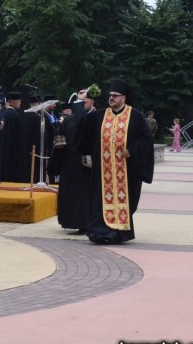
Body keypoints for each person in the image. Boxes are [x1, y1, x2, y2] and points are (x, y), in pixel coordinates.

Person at [78, 79, 154, 244]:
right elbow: (81, 124)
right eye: (110, 95)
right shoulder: (100, 115)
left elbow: (146, 138)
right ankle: (99, 232)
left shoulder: (135, 115)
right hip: (103, 171)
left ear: (123, 98)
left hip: (125, 172)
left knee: (124, 202)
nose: (111, 98)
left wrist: (132, 150)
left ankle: (118, 233)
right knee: (99, 200)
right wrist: (80, 100)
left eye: (115, 95)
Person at [51, 88, 96, 234]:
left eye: (85, 102)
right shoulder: (69, 120)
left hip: (87, 164)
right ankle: (71, 220)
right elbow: (60, 135)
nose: (83, 105)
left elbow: (84, 129)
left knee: (84, 195)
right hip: (69, 163)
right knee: (71, 193)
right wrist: (59, 145)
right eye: (81, 103)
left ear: (92, 102)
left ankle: (85, 222)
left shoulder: (95, 118)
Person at [0, 92, 24, 182]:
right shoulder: (14, 115)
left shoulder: (3, 112)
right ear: (14, 101)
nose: (20, 103)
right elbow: (17, 135)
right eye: (19, 101)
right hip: (11, 149)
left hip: (2, 147)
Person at [18, 94, 42, 183]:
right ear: (38, 104)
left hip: (26, 147)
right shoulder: (36, 117)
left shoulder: (26, 116)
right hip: (34, 148)